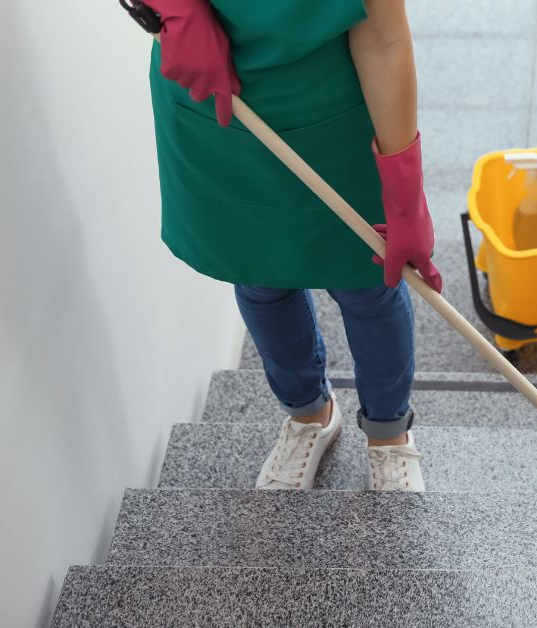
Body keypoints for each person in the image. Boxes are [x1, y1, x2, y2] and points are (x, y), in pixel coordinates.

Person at [143, 0, 441, 491]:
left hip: (330, 111)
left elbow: (384, 39)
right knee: (259, 275)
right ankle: (309, 414)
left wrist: (404, 193)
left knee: (367, 281)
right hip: (219, 113)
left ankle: (388, 435)